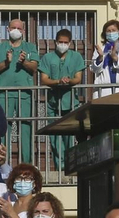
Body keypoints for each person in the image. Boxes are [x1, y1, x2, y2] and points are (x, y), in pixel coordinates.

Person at [0, 18, 39, 163]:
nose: (16, 30)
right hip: (3, 94)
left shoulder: (30, 47)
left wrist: (24, 62)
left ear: (23, 31)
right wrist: (6, 62)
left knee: (26, 129)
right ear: (8, 29)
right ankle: (2, 163)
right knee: (3, 129)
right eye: (13, 27)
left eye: (19, 28)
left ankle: (27, 164)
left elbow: (34, 68)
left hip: (24, 94)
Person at [37, 29, 86, 171]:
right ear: (55, 42)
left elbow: (78, 78)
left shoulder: (76, 57)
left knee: (70, 138)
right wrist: (58, 81)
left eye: (65, 42)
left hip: (71, 103)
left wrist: (69, 81)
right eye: (60, 42)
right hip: (53, 104)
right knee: (55, 139)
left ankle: (71, 168)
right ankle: (60, 169)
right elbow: (44, 79)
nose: (63, 45)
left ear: (70, 43)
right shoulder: (47, 58)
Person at [87, 19, 119, 95]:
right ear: (105, 34)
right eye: (108, 31)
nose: (111, 33)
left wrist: (115, 58)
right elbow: (93, 69)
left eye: (113, 30)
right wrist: (100, 58)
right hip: (103, 91)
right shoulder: (101, 50)